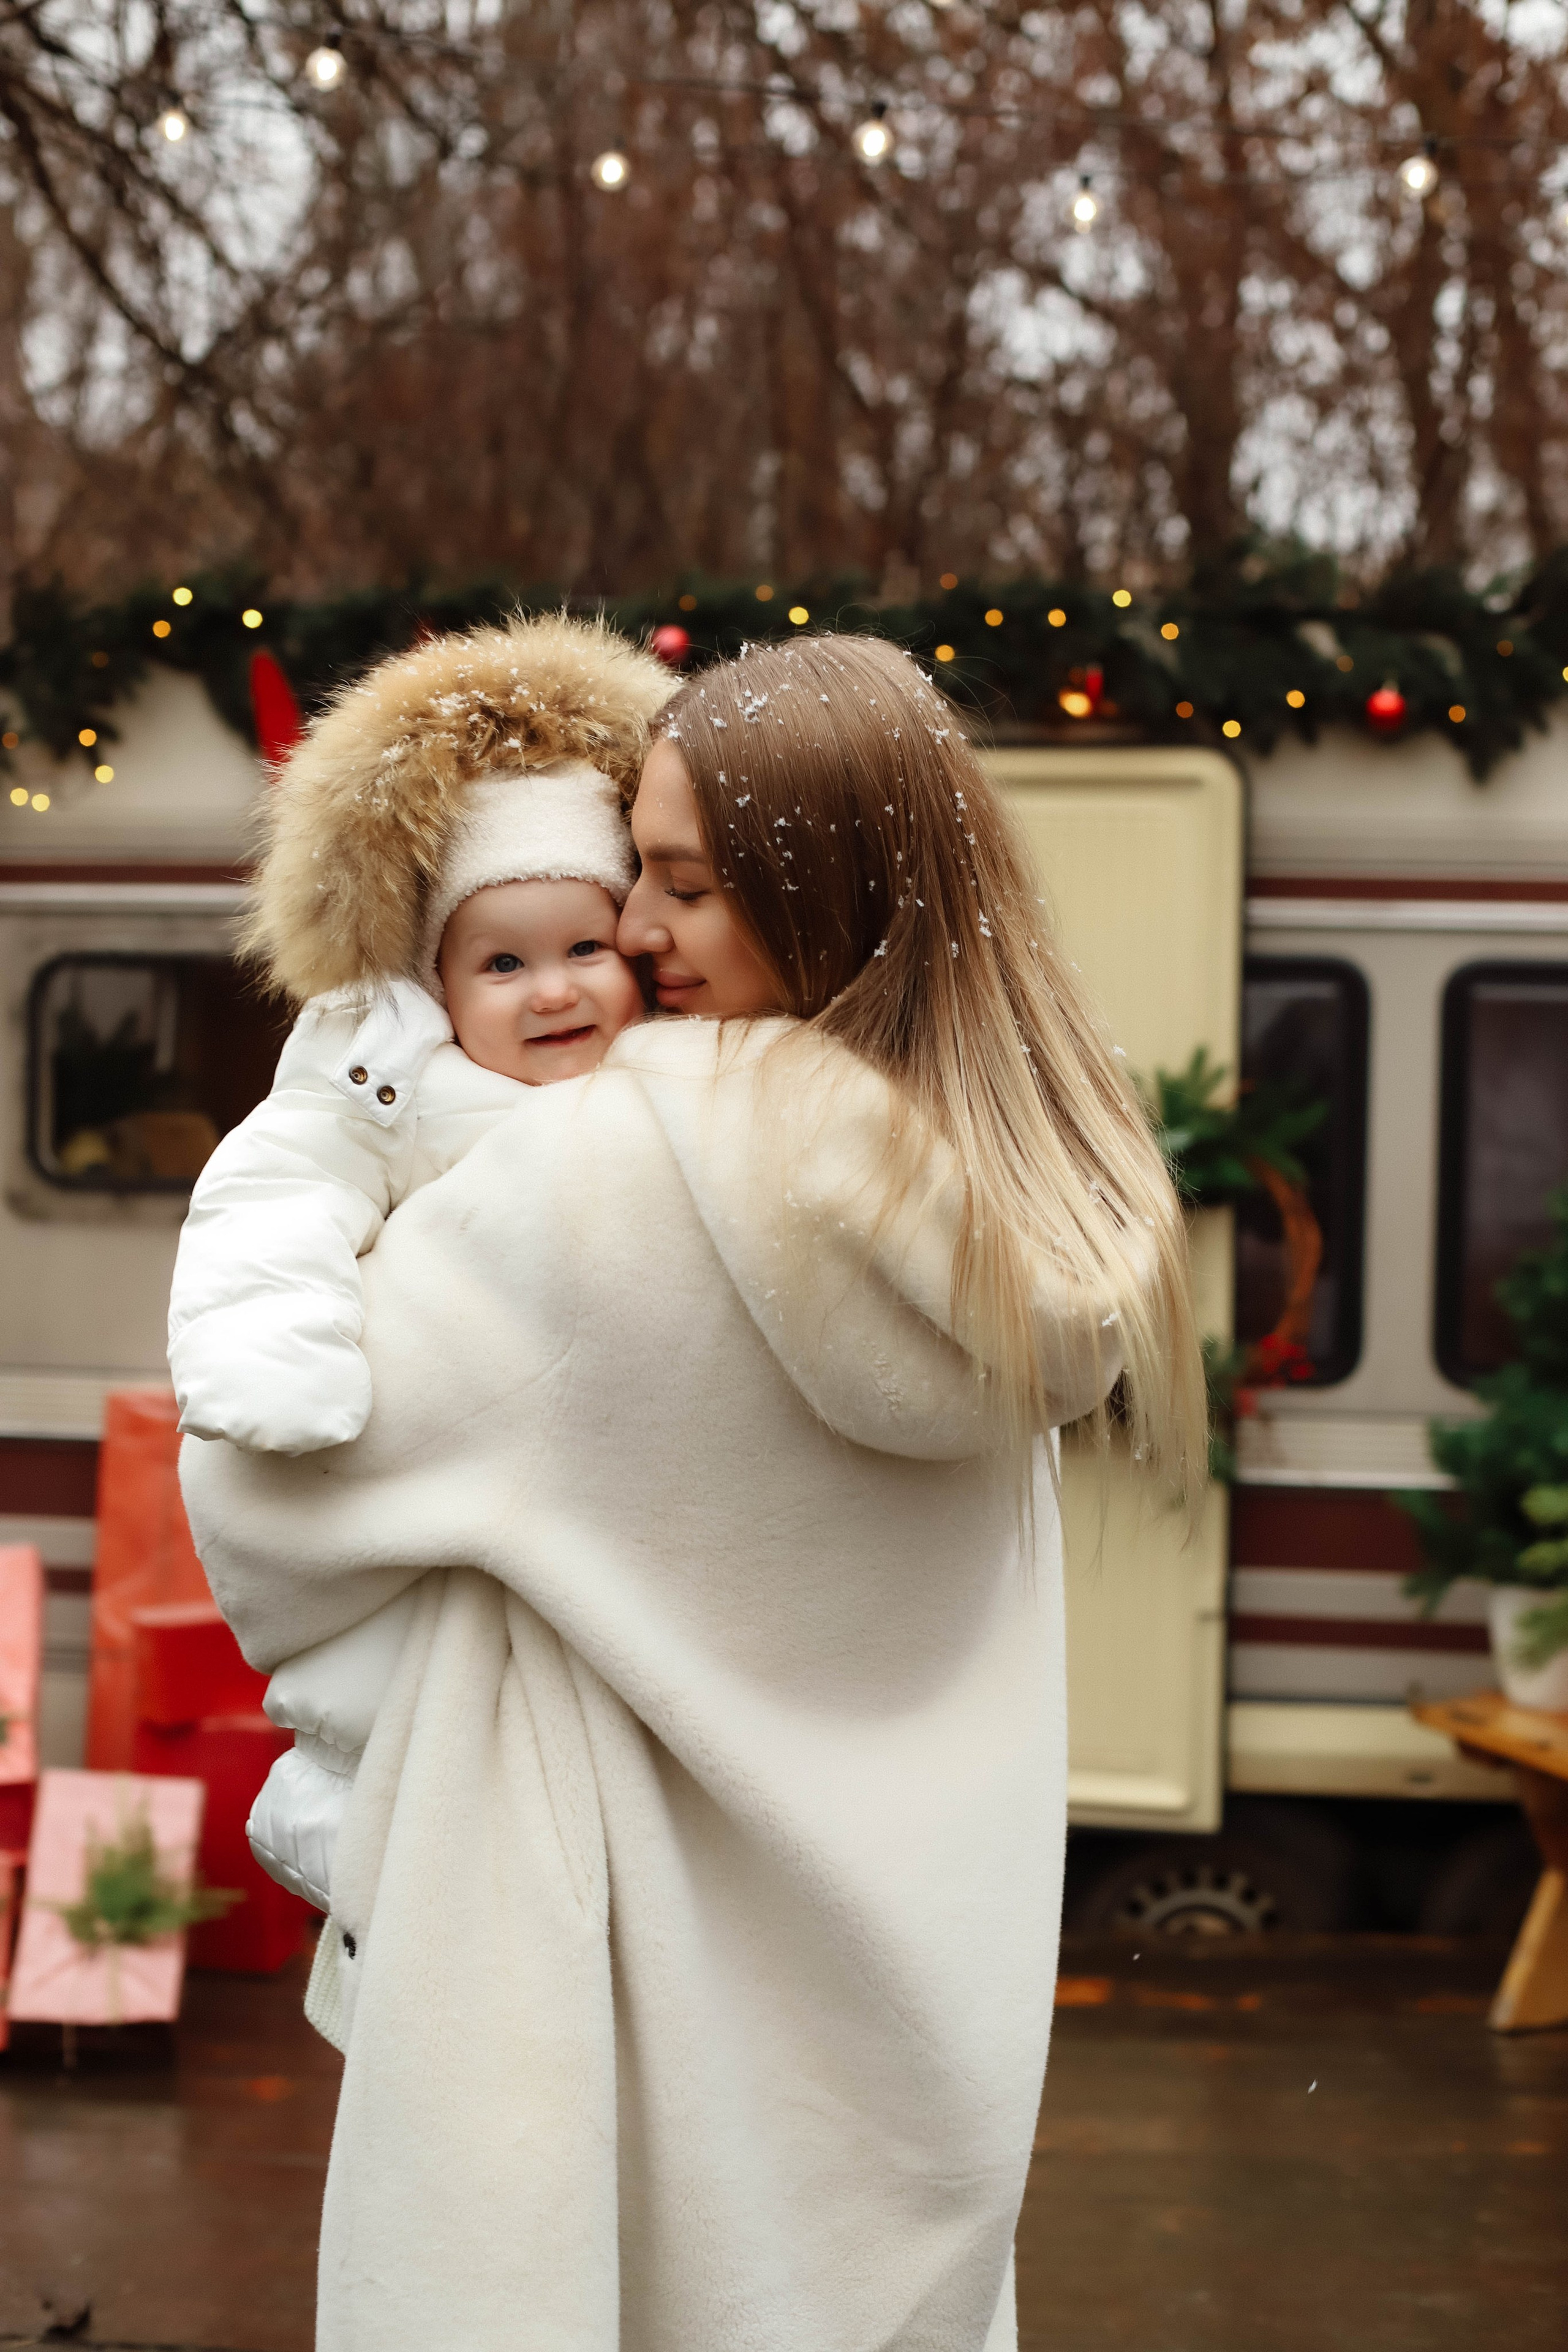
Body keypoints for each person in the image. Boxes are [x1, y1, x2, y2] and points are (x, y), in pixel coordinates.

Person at [181, 630, 1205, 2352]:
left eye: (682, 884)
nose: (635, 929)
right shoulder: (1005, 1204)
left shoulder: (605, 1172)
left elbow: (266, 1501)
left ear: (819, 893)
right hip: (899, 2035)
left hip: (586, 2008)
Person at [167, 611, 671, 1906]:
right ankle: (338, 1813)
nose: (551, 990)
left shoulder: (668, 1078)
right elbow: (272, 1196)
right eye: (502, 963)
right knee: (389, 1673)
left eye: (586, 949)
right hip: (418, 1463)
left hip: (584, 1491)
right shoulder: (390, 1087)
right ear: (440, 988)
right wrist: (275, 1357)